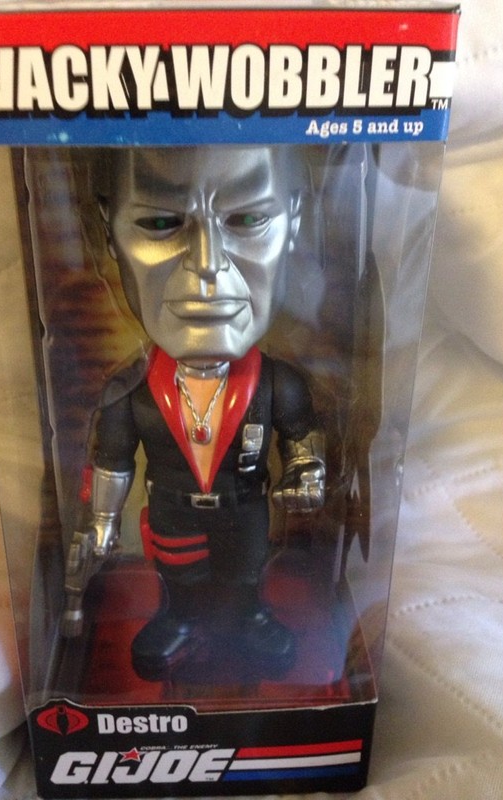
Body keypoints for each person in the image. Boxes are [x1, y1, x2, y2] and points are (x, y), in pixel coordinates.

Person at [65, 146, 326, 680]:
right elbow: (114, 461)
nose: (207, 264)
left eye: (247, 219)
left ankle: (250, 615)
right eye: (160, 223)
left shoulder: (277, 384)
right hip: (173, 511)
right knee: (179, 577)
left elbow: (302, 441)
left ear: (295, 220)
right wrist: (102, 522)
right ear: (108, 231)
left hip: (245, 509)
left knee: (246, 572)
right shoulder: (128, 392)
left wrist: (307, 471)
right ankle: (179, 617)